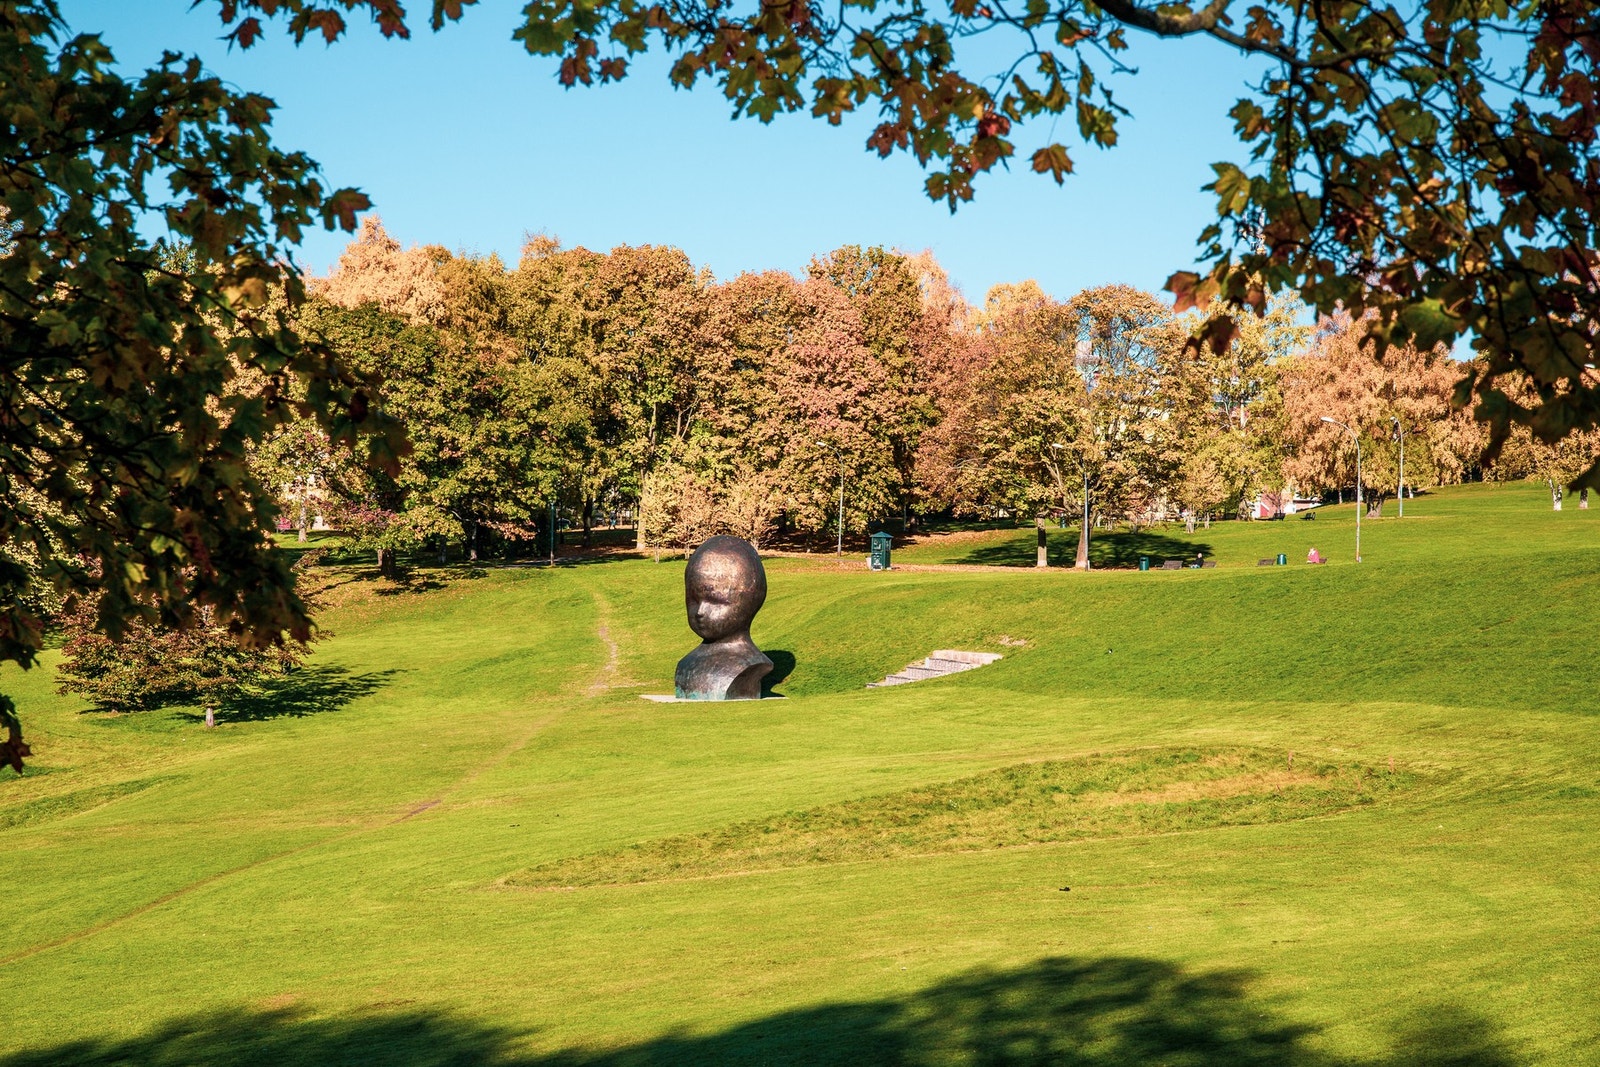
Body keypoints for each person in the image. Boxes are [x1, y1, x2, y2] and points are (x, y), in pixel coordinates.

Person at [675, 536, 774, 700]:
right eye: (693, 600)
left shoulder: (751, 664)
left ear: (749, 602)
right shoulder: (686, 664)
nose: (700, 611)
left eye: (715, 602)